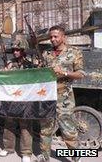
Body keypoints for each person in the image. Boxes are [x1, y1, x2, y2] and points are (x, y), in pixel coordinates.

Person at [36, 25, 85, 162]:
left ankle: (76, 158)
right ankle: (44, 157)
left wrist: (64, 72)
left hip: (65, 97)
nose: (52, 39)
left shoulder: (74, 52)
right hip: (47, 96)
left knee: (68, 129)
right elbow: (40, 72)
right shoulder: (46, 54)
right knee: (45, 128)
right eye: (51, 37)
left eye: (55, 36)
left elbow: (81, 74)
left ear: (63, 37)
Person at [0, 35, 34, 162]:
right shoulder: (10, 64)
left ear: (24, 50)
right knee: (9, 124)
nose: (15, 52)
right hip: (12, 99)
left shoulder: (30, 65)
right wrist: (4, 71)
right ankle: (8, 148)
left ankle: (26, 152)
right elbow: (3, 78)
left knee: (25, 126)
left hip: (25, 100)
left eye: (18, 49)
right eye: (13, 50)